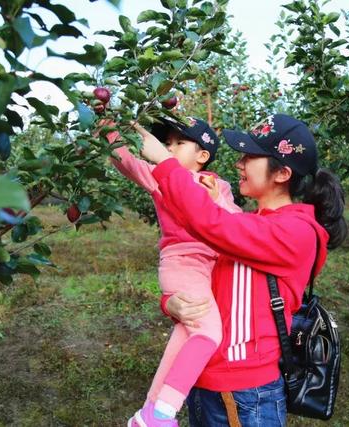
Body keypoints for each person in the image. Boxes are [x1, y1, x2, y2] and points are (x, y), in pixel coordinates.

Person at [135, 113, 347, 426]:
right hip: (205, 380)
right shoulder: (251, 221)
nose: (239, 163)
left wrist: (167, 163)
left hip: (245, 393)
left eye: (251, 157)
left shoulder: (295, 233)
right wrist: (171, 304)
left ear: (282, 173)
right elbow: (209, 282)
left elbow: (209, 223)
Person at [107, 116, 242, 427]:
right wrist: (108, 128)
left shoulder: (219, 185)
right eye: (167, 143)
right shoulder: (161, 176)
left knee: (186, 334)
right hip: (183, 265)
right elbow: (126, 161)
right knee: (208, 334)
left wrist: (215, 199)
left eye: (179, 143)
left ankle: (149, 412)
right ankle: (164, 412)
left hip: (207, 268)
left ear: (203, 155)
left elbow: (237, 222)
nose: (169, 148)